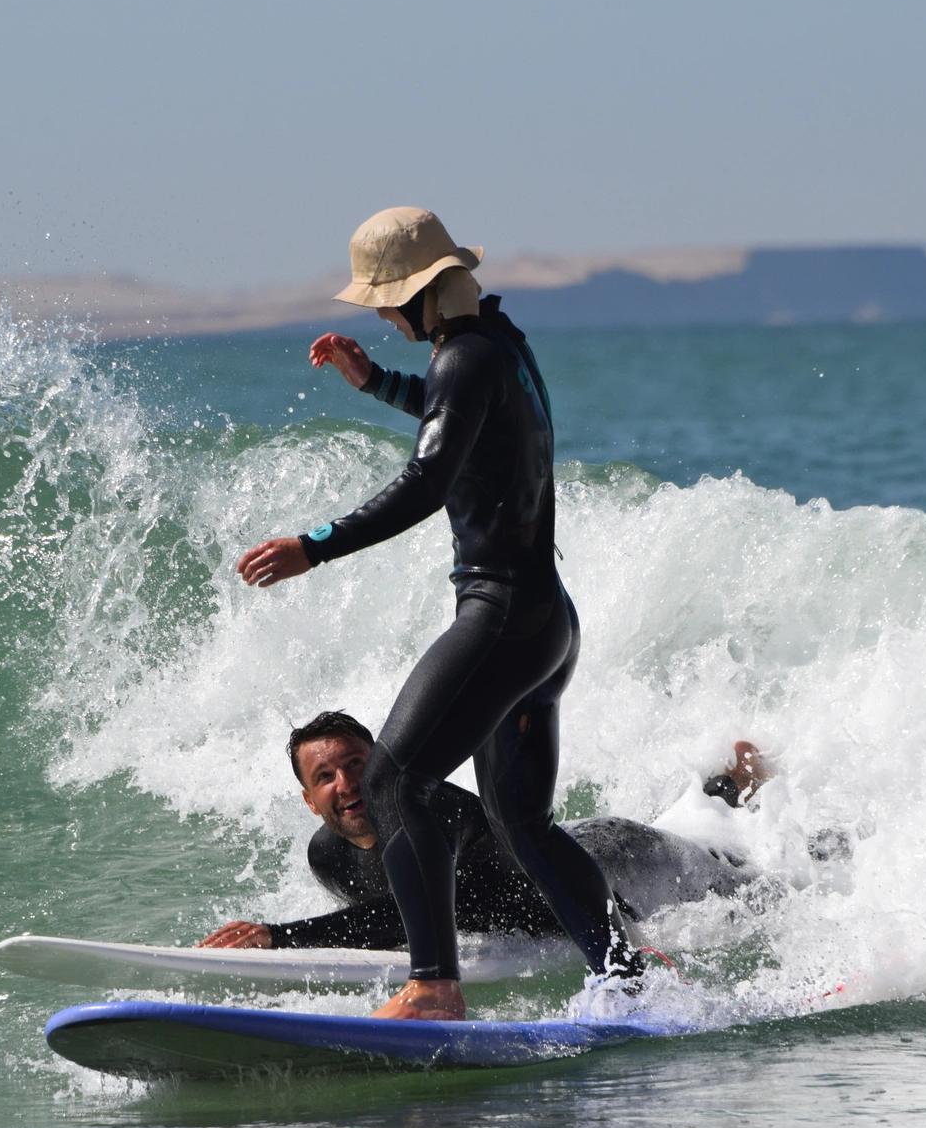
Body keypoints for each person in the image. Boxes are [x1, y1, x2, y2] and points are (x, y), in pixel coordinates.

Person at [236, 207, 635, 1020]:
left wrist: (316, 544)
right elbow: (456, 420)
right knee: (521, 824)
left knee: (392, 783)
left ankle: (433, 985)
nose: (383, 316)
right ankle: (623, 971)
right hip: (546, 622)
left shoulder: (467, 360)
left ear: (420, 294)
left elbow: (426, 479)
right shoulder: (500, 346)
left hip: (499, 615)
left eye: (387, 302)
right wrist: (377, 381)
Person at [199, 711, 759, 952]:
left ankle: (747, 792)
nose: (347, 784)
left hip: (612, 857)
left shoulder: (431, 813)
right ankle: (722, 789)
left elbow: (411, 910)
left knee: (751, 876)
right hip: (572, 842)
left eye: (357, 765)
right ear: (309, 799)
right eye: (325, 776)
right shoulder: (328, 857)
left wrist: (284, 936)